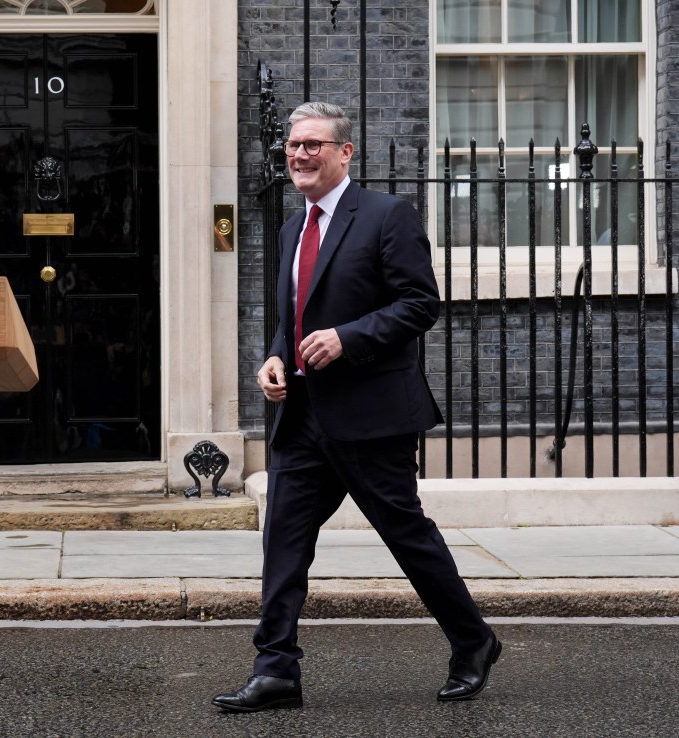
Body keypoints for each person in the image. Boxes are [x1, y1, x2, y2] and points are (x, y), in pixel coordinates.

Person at [212, 102, 501, 713]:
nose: (299, 154)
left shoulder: (386, 215)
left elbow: (420, 304)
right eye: (293, 145)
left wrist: (348, 338)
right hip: (302, 416)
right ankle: (276, 670)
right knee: (284, 541)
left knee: (406, 535)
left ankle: (474, 640)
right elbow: (292, 318)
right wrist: (274, 358)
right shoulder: (292, 228)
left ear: (345, 153)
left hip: (370, 415)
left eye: (313, 144)